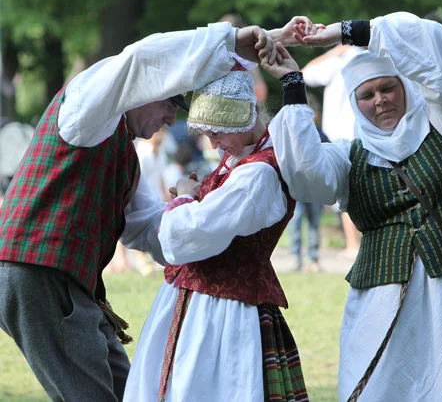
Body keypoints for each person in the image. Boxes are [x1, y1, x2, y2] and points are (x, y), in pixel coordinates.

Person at [0, 21, 279, 402]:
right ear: (142, 91)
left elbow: (148, 230)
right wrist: (228, 39)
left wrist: (197, 212)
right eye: (169, 103)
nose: (170, 119)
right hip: (35, 274)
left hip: (59, 283)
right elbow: (140, 60)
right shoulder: (87, 108)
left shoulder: (124, 153)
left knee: (129, 391)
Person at [264, 12, 442, 401]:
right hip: (383, 296)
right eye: (366, 94)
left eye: (388, 87)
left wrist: (341, 35)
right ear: (354, 103)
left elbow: (433, 43)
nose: (380, 100)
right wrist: (292, 83)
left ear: (406, 85)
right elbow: (306, 175)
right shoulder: (349, 157)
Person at [123, 69, 309, 401]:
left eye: (218, 132)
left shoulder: (258, 175)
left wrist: (183, 195)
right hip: (198, 301)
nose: (212, 143)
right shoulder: (239, 159)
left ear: (243, 122)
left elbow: (188, 235)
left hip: (225, 312)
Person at [302, 44, 363, 260]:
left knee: (346, 193)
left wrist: (332, 52)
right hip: (366, 134)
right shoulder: (371, 58)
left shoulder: (339, 61)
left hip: (338, 136)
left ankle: (353, 245)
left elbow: (305, 74)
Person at [288, 92, 330, 272]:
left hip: (315, 189)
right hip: (297, 189)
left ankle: (313, 258)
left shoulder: (321, 135)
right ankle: (296, 257)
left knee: (314, 223)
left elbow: (328, 159)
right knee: (295, 222)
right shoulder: (292, 136)